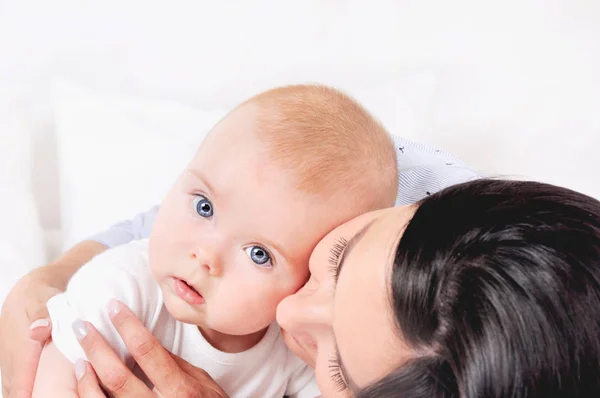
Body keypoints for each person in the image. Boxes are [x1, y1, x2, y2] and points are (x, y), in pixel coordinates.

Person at [0, 90, 479, 398]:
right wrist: (49, 277)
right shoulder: (122, 285)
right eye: (203, 206)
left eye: (259, 254)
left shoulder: (294, 352)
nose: (205, 256)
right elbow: (59, 370)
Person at [74, 179, 600, 397]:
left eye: (335, 366)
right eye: (337, 258)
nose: (287, 314)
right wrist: (58, 273)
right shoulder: (407, 184)